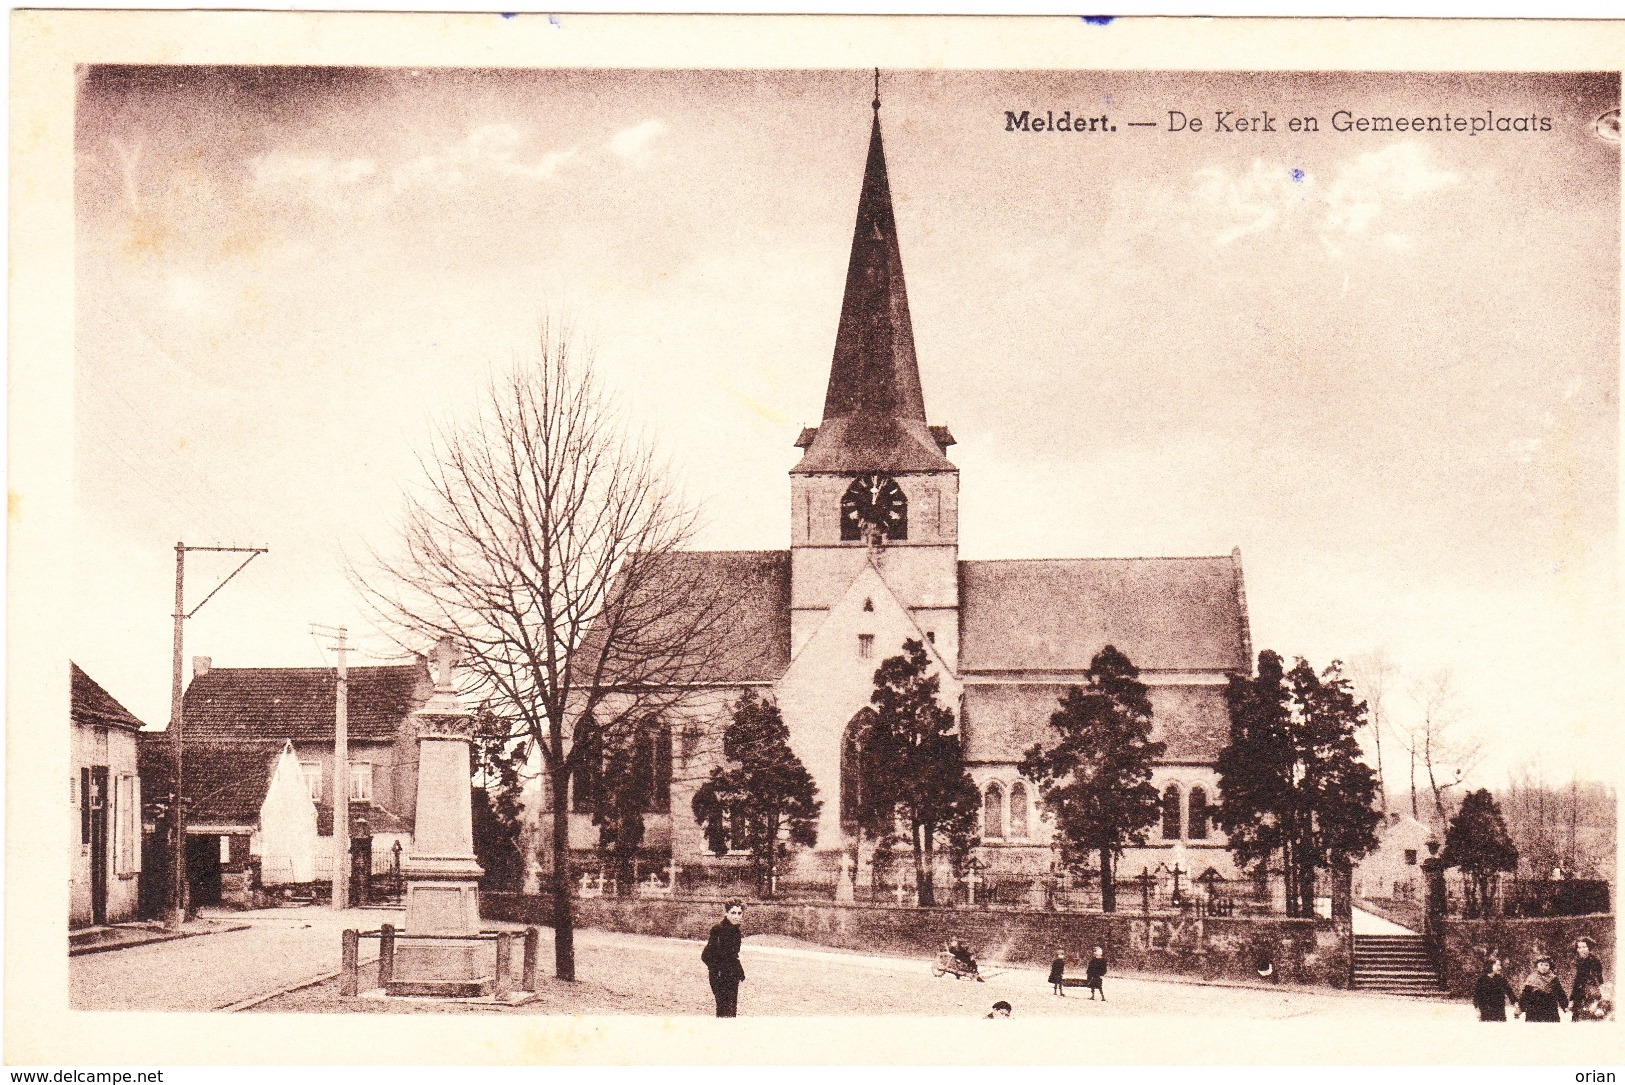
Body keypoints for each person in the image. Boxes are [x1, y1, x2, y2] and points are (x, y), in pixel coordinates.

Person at [700, 901, 746, 1017]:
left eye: (739, 913)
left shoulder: (736, 931)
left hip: (732, 976)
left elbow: (733, 955)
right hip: (720, 977)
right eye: (733, 913)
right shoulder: (718, 929)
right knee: (723, 1011)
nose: (736, 916)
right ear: (726, 913)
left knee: (731, 1011)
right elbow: (706, 955)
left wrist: (739, 971)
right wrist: (717, 970)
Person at [1518, 955, 1569, 1022]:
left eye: (1546, 965)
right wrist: (1521, 1008)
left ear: (1549, 966)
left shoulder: (1553, 978)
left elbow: (1560, 993)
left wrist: (1565, 1006)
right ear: (1537, 966)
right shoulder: (1532, 978)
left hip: (1550, 1010)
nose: (1543, 967)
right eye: (1541, 965)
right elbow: (1525, 995)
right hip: (1534, 1010)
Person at [1571, 938, 1606, 1022]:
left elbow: (1599, 979)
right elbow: (1576, 981)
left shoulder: (1595, 961)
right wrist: (1572, 998)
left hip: (1591, 991)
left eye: (1584, 947)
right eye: (1579, 948)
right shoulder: (1576, 961)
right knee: (1576, 1018)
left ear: (1589, 948)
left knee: (1592, 1016)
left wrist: (1599, 993)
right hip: (1578, 993)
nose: (1581, 950)